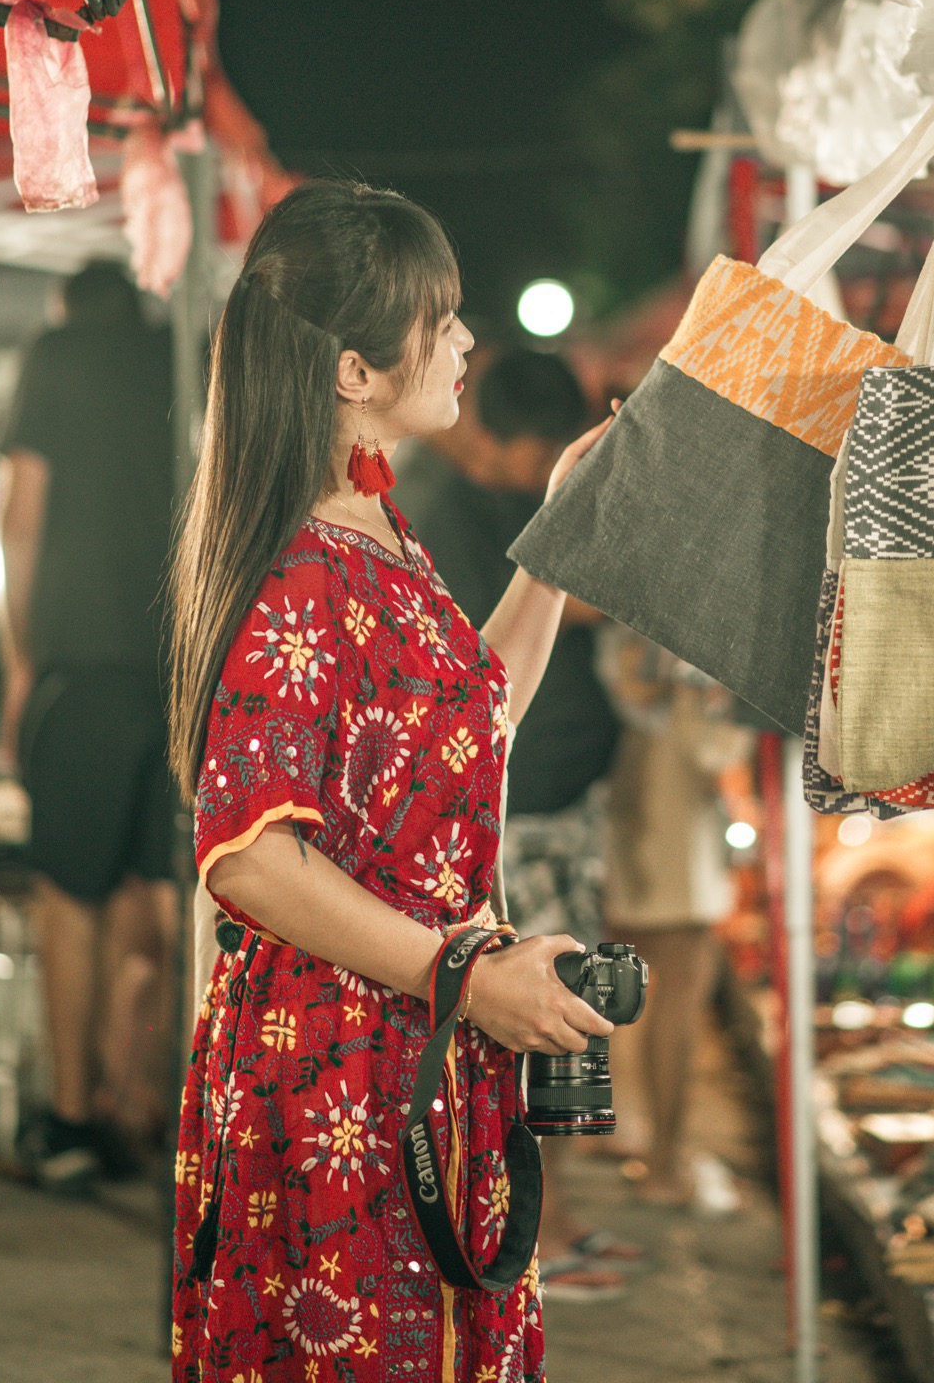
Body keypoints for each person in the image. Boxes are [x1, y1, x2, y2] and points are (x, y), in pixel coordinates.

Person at [169, 180, 615, 1383]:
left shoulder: (378, 533)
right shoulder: (302, 568)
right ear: (353, 370)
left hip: (412, 1045)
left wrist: (563, 532)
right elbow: (250, 856)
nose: (468, 341)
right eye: (443, 315)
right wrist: (461, 975)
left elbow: (476, 724)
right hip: (338, 1077)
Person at [410, 349, 631, 1297]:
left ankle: (552, 1216)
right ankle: (530, 1226)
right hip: (521, 808)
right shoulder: (443, 503)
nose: (460, 345)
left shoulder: (482, 493)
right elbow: (515, 635)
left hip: (558, 802)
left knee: (575, 1011)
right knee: (541, 1018)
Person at [0, 258, 178, 1188]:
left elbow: (20, 517)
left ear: (72, 307)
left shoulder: (57, 355)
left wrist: (24, 657)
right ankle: (136, 1097)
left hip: (84, 662)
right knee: (157, 892)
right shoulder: (176, 352)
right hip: (180, 668)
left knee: (70, 893)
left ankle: (72, 1117)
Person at [599, 630, 752, 1208]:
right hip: (670, 824)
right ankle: (664, 1162)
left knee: (607, 988)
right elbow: (713, 749)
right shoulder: (680, 629)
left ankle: (618, 1134)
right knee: (678, 996)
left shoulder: (626, 620)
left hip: (622, 817)